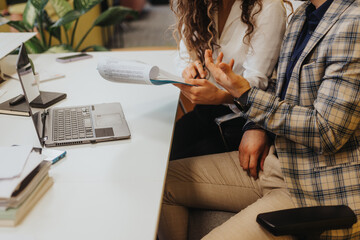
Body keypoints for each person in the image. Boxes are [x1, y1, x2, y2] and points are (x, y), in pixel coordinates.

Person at [158, 0, 360, 239]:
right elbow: (277, 85)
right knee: (161, 185)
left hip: (313, 185)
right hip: (278, 160)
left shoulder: (352, 23)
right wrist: (254, 123)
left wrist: (245, 95)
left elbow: (326, 131)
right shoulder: (303, 17)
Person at [169, 0, 289, 160]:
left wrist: (222, 95)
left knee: (173, 165)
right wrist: (190, 69)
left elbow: (257, 82)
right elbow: (184, 53)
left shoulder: (268, 7)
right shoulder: (200, 5)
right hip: (206, 111)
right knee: (161, 152)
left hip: (240, 120)